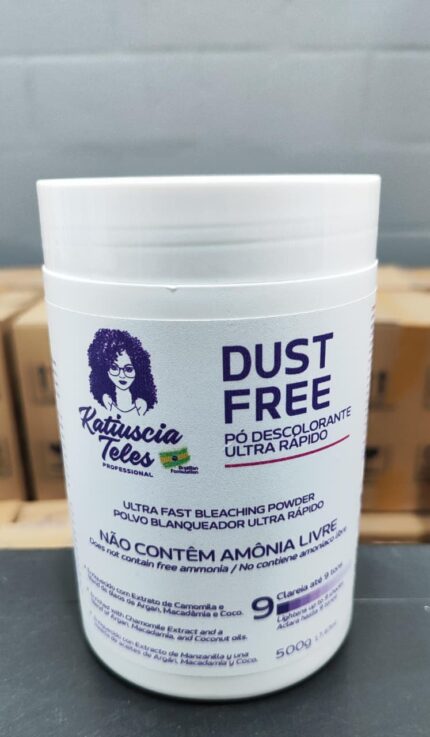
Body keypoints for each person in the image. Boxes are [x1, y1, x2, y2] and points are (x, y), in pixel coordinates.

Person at [87, 329, 157, 417]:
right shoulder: (106, 399)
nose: (122, 375)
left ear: (138, 370)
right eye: (114, 368)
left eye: (128, 369)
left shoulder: (141, 404)